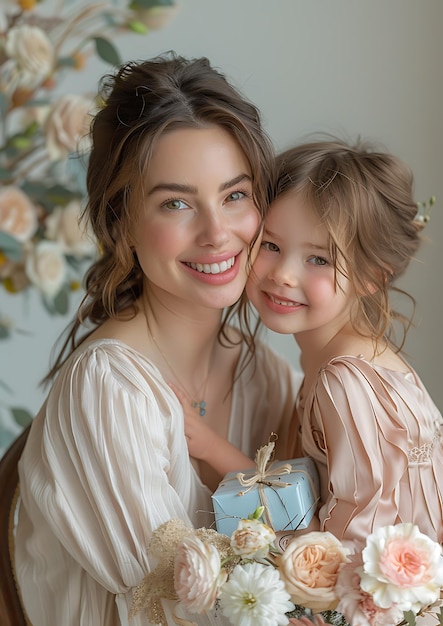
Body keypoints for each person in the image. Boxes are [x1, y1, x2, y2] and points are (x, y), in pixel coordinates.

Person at [14, 53, 301, 626]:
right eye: (176, 203)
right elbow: (173, 611)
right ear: (120, 222)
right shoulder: (106, 389)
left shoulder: (264, 373)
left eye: (235, 195)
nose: (217, 233)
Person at [184, 137, 443, 549]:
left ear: (370, 276)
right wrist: (211, 445)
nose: (284, 274)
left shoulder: (346, 380)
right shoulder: (333, 362)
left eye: (319, 259)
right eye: (270, 245)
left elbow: (350, 547)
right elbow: (308, 501)